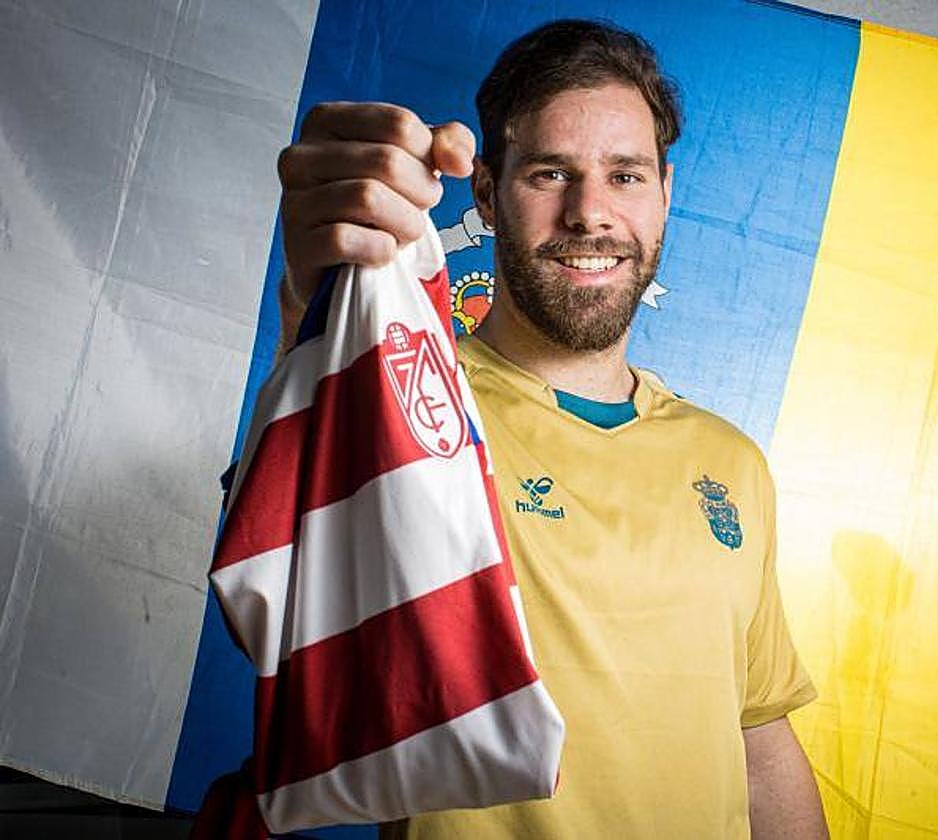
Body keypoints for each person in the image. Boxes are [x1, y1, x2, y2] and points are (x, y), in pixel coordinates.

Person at [275, 18, 829, 840]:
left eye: (626, 175)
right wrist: (310, 302)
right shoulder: (413, 407)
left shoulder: (731, 461)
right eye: (550, 174)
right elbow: (296, 519)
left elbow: (756, 735)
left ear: (666, 193)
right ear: (490, 196)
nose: (590, 213)